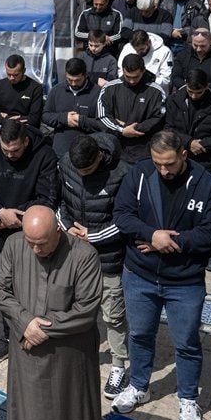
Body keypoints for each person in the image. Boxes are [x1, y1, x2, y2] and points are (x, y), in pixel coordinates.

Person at [111, 130, 211, 420]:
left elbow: (210, 233)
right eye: (157, 163)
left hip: (184, 282)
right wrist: (151, 235)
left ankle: (187, 399)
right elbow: (122, 215)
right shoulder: (140, 174)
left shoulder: (206, 185)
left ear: (184, 154)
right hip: (139, 275)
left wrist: (172, 242)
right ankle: (138, 386)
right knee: (140, 335)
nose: (163, 170)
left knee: (186, 343)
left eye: (169, 164)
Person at [0, 205, 103, 420]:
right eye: (30, 242)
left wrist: (41, 329)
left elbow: (86, 309)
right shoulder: (14, 244)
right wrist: (25, 322)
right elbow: (0, 290)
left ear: (57, 233)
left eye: (42, 244)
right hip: (26, 349)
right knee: (29, 412)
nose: (35, 249)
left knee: (71, 411)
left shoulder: (83, 255)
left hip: (69, 354)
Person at [0, 119, 59, 362]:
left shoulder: (44, 155)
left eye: (16, 151)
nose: (10, 155)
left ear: (26, 141)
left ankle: (41, 332)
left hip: (33, 233)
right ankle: (9, 335)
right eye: (5, 150)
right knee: (5, 286)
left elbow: (48, 198)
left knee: (38, 286)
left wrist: (16, 217)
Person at [56, 133, 133, 399]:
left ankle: (119, 366)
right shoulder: (66, 163)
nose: (83, 175)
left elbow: (126, 220)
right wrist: (66, 228)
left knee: (113, 314)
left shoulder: (122, 174)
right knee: (71, 306)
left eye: (87, 170)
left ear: (100, 157)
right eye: (79, 171)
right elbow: (59, 203)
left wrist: (94, 236)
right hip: (73, 253)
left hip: (108, 258)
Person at [97, 53, 168, 164]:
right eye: (128, 77)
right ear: (123, 71)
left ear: (143, 71)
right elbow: (102, 115)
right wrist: (122, 130)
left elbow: (159, 117)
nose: (132, 81)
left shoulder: (156, 91)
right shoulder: (109, 88)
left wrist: (134, 129)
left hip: (145, 149)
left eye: (135, 77)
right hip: (116, 147)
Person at [165, 69, 211, 176]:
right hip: (178, 156)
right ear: (186, 84)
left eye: (198, 93)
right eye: (190, 92)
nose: (194, 96)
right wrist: (189, 142)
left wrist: (199, 145)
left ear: (206, 86)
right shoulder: (173, 101)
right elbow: (168, 129)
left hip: (206, 160)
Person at [42, 57, 105, 157]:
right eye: (70, 80)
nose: (73, 83)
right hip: (61, 152)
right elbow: (45, 115)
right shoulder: (57, 90)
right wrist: (64, 118)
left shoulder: (98, 93)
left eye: (77, 80)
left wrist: (81, 121)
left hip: (87, 153)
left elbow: (102, 124)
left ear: (85, 75)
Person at [0, 54, 44, 129]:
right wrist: (5, 120)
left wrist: (11, 120)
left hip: (23, 128)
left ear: (24, 71)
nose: (11, 78)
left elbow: (34, 119)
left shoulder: (35, 88)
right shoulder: (1, 84)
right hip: (1, 125)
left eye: (15, 75)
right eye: (8, 74)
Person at [170, 28, 211, 96]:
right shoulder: (182, 56)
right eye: (195, 45)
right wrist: (190, 88)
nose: (198, 49)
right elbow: (175, 77)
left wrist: (204, 87)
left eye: (203, 46)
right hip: (186, 95)